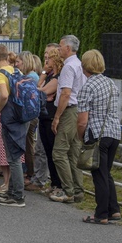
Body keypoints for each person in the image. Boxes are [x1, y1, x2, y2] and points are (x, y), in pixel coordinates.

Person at [76, 50, 121, 224]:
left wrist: (81, 137)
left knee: (99, 175)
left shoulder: (87, 87)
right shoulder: (111, 83)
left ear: (84, 66)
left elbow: (82, 121)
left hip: (97, 134)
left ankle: (101, 214)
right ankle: (113, 209)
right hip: (114, 133)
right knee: (106, 173)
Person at [0, 44, 29, 207]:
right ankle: (12, 192)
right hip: (21, 116)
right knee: (14, 155)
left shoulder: (0, 74)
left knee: (13, 158)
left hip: (10, 117)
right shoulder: (15, 70)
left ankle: (18, 195)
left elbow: (3, 95)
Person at [50, 35, 87, 204]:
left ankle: (68, 190)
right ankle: (78, 190)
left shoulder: (68, 67)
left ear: (68, 48)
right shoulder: (79, 65)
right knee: (73, 152)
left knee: (59, 152)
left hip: (69, 109)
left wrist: (57, 116)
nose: (58, 49)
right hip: (79, 110)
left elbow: (66, 93)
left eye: (60, 46)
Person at [35, 45, 63, 195]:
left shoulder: (58, 78)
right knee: (47, 149)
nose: (46, 59)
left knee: (53, 152)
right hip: (44, 116)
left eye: (49, 57)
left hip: (51, 116)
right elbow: (38, 88)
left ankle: (57, 184)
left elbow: (42, 91)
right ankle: (53, 183)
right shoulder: (50, 76)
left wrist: (44, 93)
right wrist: (44, 72)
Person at [15, 51, 42, 185]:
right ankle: (29, 172)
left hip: (30, 115)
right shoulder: (31, 76)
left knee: (28, 143)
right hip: (29, 114)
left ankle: (30, 173)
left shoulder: (31, 77)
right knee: (28, 142)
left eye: (19, 62)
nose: (17, 65)